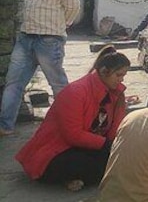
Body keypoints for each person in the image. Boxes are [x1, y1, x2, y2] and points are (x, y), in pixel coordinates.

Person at [15, 45, 130, 191]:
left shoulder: (117, 93)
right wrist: (107, 146)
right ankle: (72, 177)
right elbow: (73, 135)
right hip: (59, 149)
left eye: (123, 76)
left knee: (123, 158)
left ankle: (82, 177)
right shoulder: (75, 92)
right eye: (118, 75)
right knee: (96, 165)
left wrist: (116, 146)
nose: (121, 80)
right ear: (103, 72)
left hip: (91, 145)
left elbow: (115, 128)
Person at [0, 0, 81, 135]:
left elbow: (73, 7)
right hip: (26, 36)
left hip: (49, 40)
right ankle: (5, 126)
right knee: (14, 83)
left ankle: (67, 126)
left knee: (58, 85)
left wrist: (59, 26)